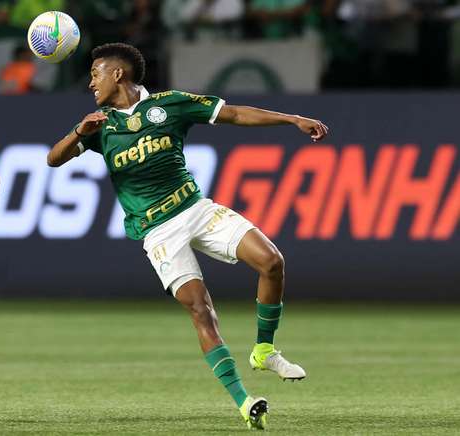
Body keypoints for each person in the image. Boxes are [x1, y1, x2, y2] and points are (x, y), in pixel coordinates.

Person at [47, 42, 328, 430]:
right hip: (158, 231)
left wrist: (291, 118)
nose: (91, 81)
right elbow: (54, 158)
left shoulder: (170, 104)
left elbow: (234, 114)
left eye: (96, 73)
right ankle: (244, 402)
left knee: (272, 261)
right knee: (201, 310)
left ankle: (264, 350)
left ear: (118, 74)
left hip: (196, 209)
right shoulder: (100, 125)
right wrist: (80, 130)